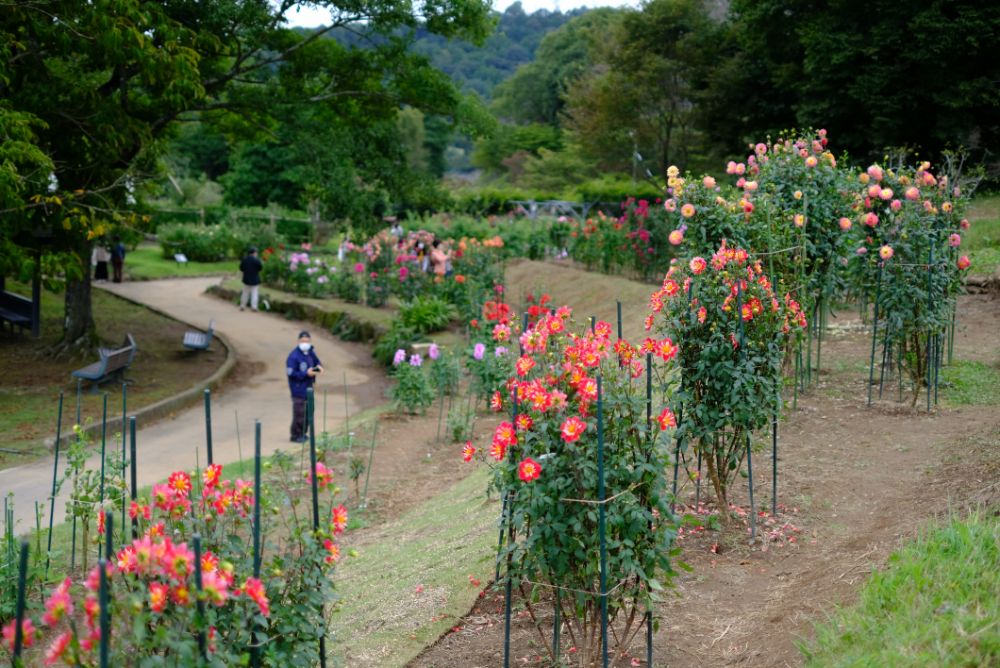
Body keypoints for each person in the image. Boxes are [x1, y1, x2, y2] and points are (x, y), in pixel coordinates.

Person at [286, 330, 323, 443]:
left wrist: (319, 368)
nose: (305, 343)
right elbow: (291, 373)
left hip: (309, 388)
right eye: (303, 341)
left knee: (308, 412)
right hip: (298, 389)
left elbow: (317, 363)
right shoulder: (293, 357)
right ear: (298, 341)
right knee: (299, 412)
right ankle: (295, 435)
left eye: (307, 341)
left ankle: (303, 433)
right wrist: (305, 373)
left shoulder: (310, 352)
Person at [239, 247, 263, 311]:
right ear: (254, 253)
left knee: (245, 293)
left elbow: (241, 268)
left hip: (246, 279)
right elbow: (260, 268)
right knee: (254, 293)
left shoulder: (244, 259)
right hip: (255, 279)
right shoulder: (256, 260)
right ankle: (254, 307)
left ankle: (242, 306)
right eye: (256, 252)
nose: (256, 254)